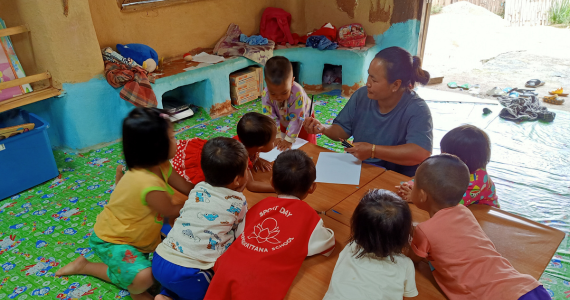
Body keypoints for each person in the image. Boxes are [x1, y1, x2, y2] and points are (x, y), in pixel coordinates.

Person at [56, 108, 192, 300]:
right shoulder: (147, 183)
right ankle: (87, 267)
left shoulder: (162, 166)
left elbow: (187, 188)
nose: (176, 141)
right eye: (172, 137)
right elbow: (171, 210)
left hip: (139, 238)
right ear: (155, 146)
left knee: (159, 272)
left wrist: (208, 189)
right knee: (145, 278)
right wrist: (199, 201)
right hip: (113, 240)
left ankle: (128, 275)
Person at [407, 154, 549, 300]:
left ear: (423, 195)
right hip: (526, 287)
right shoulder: (464, 211)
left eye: (415, 184)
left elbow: (412, 258)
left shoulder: (424, 231)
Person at [204, 150, 335, 300]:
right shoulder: (310, 217)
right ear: (312, 188)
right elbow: (328, 245)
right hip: (258, 284)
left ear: (272, 182)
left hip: (225, 268)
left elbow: (241, 234)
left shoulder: (261, 204)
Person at [303, 46, 433, 177]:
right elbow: (342, 130)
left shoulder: (417, 109)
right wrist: (323, 128)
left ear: (395, 85)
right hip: (359, 169)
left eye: (374, 80)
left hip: (393, 176)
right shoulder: (362, 95)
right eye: (369, 76)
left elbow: (421, 152)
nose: (368, 83)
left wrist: (373, 151)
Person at [153, 137, 250, 300]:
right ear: (237, 180)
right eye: (247, 170)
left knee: (178, 286)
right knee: (218, 291)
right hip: (191, 272)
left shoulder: (198, 188)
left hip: (160, 259)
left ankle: (164, 296)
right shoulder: (238, 202)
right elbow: (240, 235)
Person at [323, 189, 418, 300]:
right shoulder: (405, 264)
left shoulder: (350, 248)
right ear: (405, 236)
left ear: (355, 229)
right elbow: (408, 297)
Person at [171, 112, 275, 194]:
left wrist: (257, 160)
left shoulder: (248, 140)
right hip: (203, 160)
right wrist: (278, 188)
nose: (275, 142)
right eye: (273, 141)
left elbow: (253, 150)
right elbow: (251, 185)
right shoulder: (240, 155)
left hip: (214, 149)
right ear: (261, 147)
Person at [397, 125, 499, 208]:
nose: (441, 155)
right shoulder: (450, 163)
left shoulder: (477, 181)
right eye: (442, 151)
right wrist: (409, 186)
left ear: (464, 160)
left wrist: (415, 197)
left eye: (446, 153)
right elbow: (427, 175)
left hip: (482, 212)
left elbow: (449, 204)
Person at [262, 56, 317, 150]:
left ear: (292, 81)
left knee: (306, 147)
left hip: (302, 120)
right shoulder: (265, 93)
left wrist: (289, 140)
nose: (279, 97)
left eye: (284, 92)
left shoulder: (297, 93)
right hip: (282, 119)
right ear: (266, 82)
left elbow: (297, 119)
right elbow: (269, 116)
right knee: (282, 140)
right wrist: (276, 135)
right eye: (273, 93)